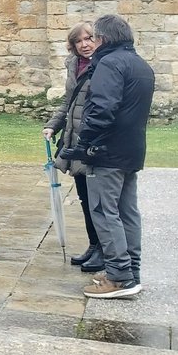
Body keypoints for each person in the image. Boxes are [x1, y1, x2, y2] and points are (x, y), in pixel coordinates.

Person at [65, 15, 155, 299]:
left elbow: (102, 108)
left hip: (106, 152)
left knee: (105, 211)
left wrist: (86, 143)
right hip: (131, 149)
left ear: (103, 38)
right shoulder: (140, 64)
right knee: (128, 211)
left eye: (94, 37)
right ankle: (131, 271)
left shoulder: (108, 63)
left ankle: (119, 276)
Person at [43, 22, 101, 272]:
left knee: (99, 200)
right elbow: (69, 101)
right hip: (75, 141)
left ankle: (103, 249)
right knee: (85, 198)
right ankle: (93, 245)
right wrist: (53, 125)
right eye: (79, 41)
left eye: (89, 38)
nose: (85, 44)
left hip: (93, 142)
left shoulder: (104, 65)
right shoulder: (74, 65)